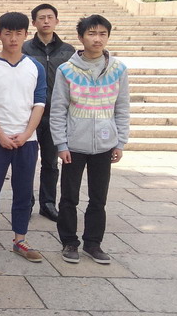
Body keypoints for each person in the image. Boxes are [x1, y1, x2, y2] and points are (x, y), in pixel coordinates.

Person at [51, 15, 129, 265]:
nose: (97, 39)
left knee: (98, 198)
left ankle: (93, 244)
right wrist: (61, 144)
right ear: (81, 37)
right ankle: (69, 242)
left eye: (102, 34)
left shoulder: (118, 69)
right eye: (92, 33)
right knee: (69, 197)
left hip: (105, 146)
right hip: (74, 145)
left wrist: (120, 142)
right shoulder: (66, 70)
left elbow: (122, 107)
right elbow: (58, 109)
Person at [0, 12, 47, 263]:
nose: (13, 38)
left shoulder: (35, 67)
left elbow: (39, 103)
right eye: (8, 33)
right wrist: (0, 134)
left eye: (18, 33)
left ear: (26, 35)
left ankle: (20, 239)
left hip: (27, 140)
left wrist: (26, 134)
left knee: (24, 191)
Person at [22, 4, 75, 221]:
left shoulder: (68, 51)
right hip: (29, 115)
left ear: (56, 21)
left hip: (55, 115)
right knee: (27, 161)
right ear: (34, 22)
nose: (46, 21)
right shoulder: (25, 49)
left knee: (51, 163)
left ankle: (48, 203)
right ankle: (26, 202)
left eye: (50, 17)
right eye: (41, 18)